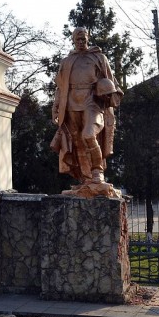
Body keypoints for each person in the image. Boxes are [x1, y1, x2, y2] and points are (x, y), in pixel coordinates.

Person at [50, 27, 123, 196]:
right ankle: (86, 179)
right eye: (78, 39)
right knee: (77, 142)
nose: (81, 42)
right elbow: (60, 88)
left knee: (89, 135)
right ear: (73, 40)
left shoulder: (99, 58)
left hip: (92, 102)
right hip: (71, 103)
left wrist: (111, 95)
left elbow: (111, 81)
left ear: (88, 39)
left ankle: (97, 172)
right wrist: (55, 108)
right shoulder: (67, 61)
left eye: (83, 39)